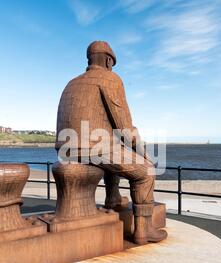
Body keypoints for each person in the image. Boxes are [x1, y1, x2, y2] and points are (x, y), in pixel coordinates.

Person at [55, 41, 167, 244]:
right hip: (92, 147)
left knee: (113, 150)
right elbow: (124, 127)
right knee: (146, 172)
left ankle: (113, 198)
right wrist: (144, 153)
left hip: (66, 148)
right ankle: (144, 230)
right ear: (108, 61)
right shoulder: (110, 78)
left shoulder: (72, 83)